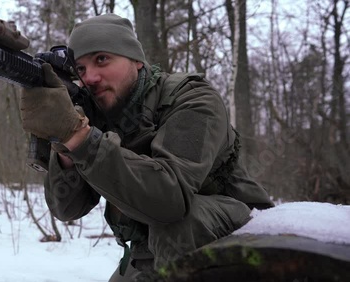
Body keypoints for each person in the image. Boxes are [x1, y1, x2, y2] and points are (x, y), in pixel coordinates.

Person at [19, 14, 274, 281]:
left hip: (242, 236)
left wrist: (80, 138)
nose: (91, 77)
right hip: (154, 246)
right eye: (80, 69)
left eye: (102, 59)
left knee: (182, 222)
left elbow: (170, 199)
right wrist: (66, 144)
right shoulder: (99, 113)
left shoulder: (192, 99)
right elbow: (67, 209)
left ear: (137, 60)